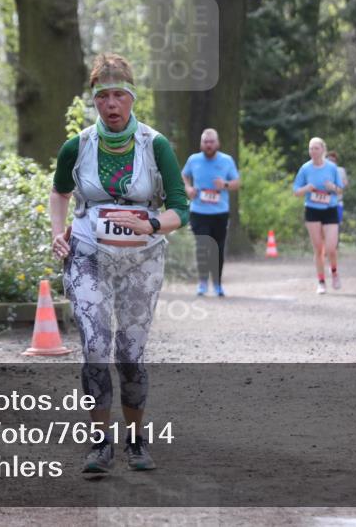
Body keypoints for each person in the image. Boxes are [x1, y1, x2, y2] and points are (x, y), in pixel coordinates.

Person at [49, 53, 189, 474]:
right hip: (88, 254)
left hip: (141, 259)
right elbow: (59, 194)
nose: (111, 104)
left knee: (129, 354)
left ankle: (135, 440)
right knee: (94, 348)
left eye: (119, 96)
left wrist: (150, 221)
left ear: (132, 98)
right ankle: (98, 443)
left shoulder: (155, 144)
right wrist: (58, 232)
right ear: (94, 101)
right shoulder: (77, 146)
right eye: (103, 97)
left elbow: (181, 209)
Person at [182, 129, 240, 297]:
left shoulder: (227, 160)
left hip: (220, 212)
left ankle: (217, 283)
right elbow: (184, 176)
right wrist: (188, 188)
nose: (208, 145)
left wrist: (225, 185)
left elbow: (236, 183)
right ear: (201, 143)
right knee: (202, 246)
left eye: (211, 141)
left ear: (217, 143)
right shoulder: (193, 160)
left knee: (218, 248)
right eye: (205, 142)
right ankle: (202, 282)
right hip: (199, 211)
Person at [293, 137, 343, 294]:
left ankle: (334, 272)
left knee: (331, 248)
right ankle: (321, 282)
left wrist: (332, 187)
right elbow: (296, 191)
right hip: (312, 210)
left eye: (316, 148)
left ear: (323, 150)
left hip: (330, 209)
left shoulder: (332, 168)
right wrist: (306, 188)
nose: (313, 151)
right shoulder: (305, 169)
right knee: (318, 249)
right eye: (310, 148)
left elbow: (340, 190)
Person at [326, 150, 348, 239]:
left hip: (337, 202)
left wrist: (335, 186)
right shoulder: (321, 170)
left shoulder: (341, 170)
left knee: (336, 224)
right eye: (329, 160)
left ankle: (335, 245)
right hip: (324, 202)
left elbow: (345, 184)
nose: (331, 162)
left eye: (333, 160)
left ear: (336, 161)